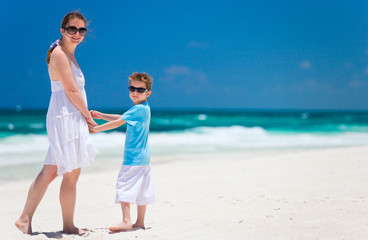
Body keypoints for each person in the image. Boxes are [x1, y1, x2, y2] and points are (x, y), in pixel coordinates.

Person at [15, 11, 98, 235]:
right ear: (63, 30)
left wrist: (86, 113)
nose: (77, 34)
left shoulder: (66, 53)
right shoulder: (60, 54)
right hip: (66, 116)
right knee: (69, 172)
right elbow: (70, 90)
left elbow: (73, 90)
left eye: (82, 30)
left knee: (52, 171)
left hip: (68, 114)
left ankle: (25, 219)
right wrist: (88, 118)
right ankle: (67, 225)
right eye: (72, 29)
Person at [90, 72, 155, 232]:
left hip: (133, 158)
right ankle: (140, 222)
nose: (135, 92)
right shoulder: (143, 108)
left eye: (140, 90)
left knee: (124, 185)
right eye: (132, 88)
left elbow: (119, 122)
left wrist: (97, 129)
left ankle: (126, 220)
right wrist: (101, 115)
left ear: (148, 93)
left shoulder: (138, 108)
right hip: (144, 158)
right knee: (142, 189)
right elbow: (122, 117)